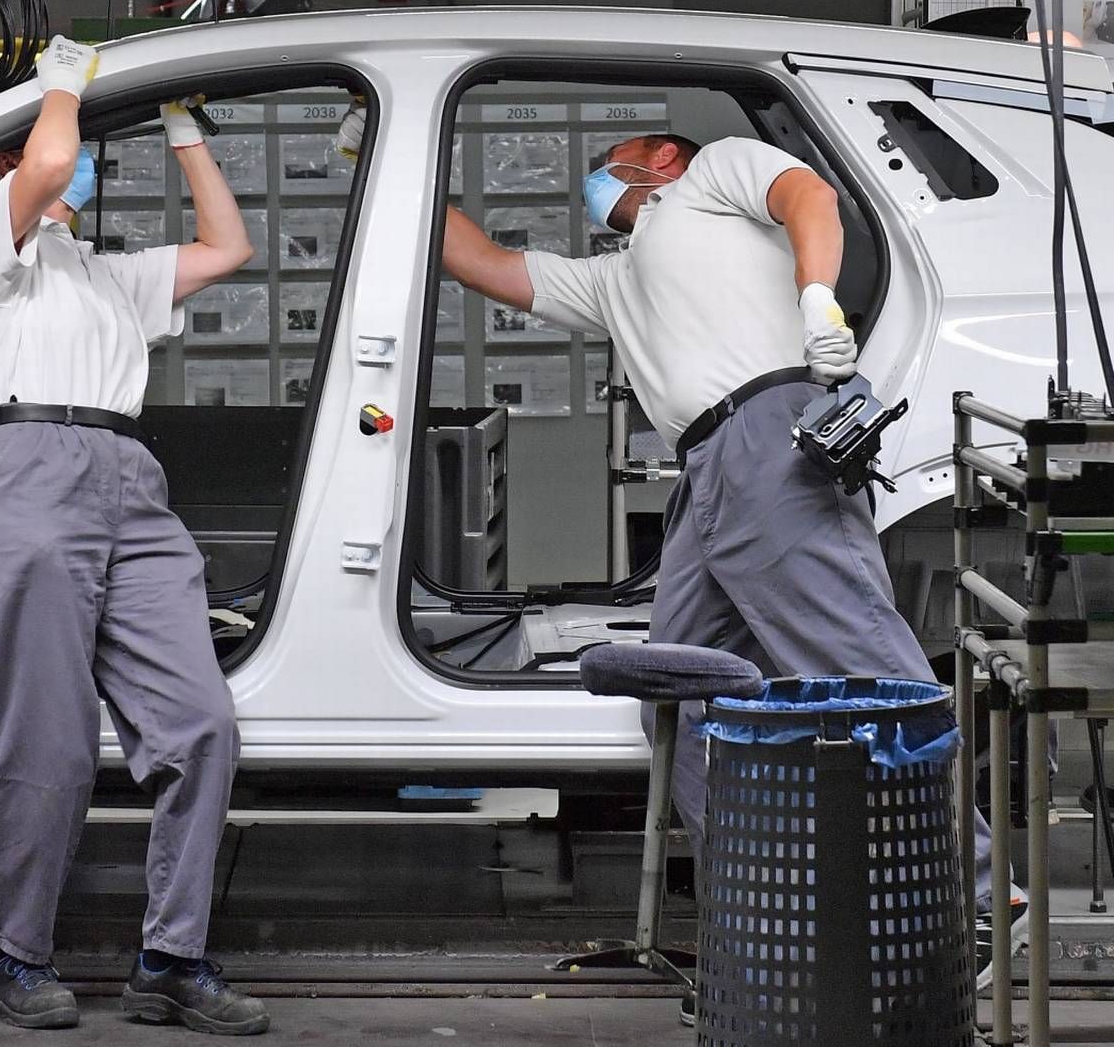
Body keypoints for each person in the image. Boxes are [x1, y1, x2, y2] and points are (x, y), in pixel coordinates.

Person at [339, 109, 1029, 1019]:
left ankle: (984, 898)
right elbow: (486, 265)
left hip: (770, 437)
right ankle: (767, 925)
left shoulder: (710, 180)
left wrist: (818, 297)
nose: (593, 186)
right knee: (683, 697)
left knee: (862, 671)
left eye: (606, 166)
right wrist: (376, 154)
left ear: (660, 160)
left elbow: (807, 195)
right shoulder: (615, 277)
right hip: (705, 468)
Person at [0, 36, 268, 1035]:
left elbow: (230, 247)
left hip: (132, 480)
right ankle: (17, 958)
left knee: (200, 727)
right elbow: (46, 160)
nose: (80, 163)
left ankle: (170, 960)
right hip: (31, 466)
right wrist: (60, 85)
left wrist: (183, 125)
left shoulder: (106, 275)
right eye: (66, 147)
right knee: (45, 738)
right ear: (9, 164)